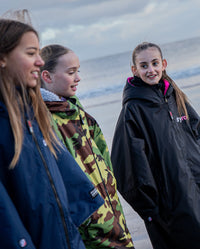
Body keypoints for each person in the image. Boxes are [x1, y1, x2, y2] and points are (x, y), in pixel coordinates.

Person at [0, 10, 104, 249]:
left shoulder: (32, 116)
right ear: (2, 58)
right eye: (30, 53)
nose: (39, 61)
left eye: (39, 53)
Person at [40, 44, 134, 249]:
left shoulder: (74, 108)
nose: (78, 78)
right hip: (91, 225)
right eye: (71, 72)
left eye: (78, 71)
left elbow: (103, 156)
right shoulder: (46, 121)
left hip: (111, 211)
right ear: (47, 76)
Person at [111, 42, 200, 249]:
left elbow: (196, 133)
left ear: (164, 64)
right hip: (171, 203)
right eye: (144, 66)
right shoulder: (133, 110)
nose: (150, 70)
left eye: (154, 63)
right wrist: (150, 209)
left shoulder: (174, 97)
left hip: (194, 186)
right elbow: (127, 167)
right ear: (134, 70)